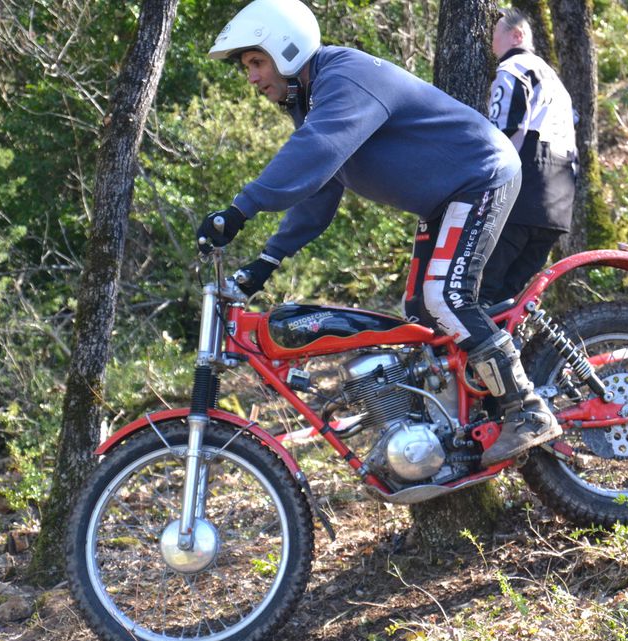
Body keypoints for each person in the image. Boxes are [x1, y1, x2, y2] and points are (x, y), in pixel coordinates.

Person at [197, 0, 561, 465]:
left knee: (445, 297)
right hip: (448, 198)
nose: (251, 77)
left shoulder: (342, 77)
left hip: (481, 176)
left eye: (256, 61)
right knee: (420, 316)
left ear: (286, 49)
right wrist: (265, 263)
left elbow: (314, 152)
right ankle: (458, 430)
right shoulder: (315, 101)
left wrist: (238, 211)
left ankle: (526, 408)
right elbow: (319, 192)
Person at [479, 8, 576, 307]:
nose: (490, 48)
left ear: (516, 35)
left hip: (522, 195)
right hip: (558, 204)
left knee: (481, 294)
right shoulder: (554, 80)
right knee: (510, 301)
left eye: (493, 38)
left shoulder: (513, 69)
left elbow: (503, 132)